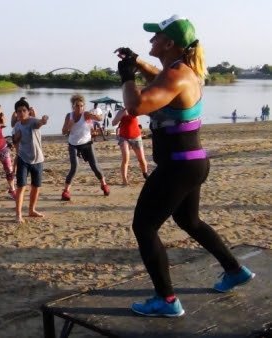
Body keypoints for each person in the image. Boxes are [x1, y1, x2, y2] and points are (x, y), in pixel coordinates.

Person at [116, 14, 254, 317]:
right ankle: (234, 270)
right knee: (189, 221)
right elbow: (158, 75)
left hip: (178, 167)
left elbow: (135, 106)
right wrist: (138, 62)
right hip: (191, 163)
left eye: (155, 37)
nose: (151, 40)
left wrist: (127, 75)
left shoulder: (176, 76)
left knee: (144, 226)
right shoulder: (183, 71)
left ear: (169, 43)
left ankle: (166, 300)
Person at [61, 94, 110, 201]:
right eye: (77, 106)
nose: (80, 108)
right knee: (75, 167)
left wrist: (97, 116)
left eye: (82, 106)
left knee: (95, 166)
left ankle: (104, 185)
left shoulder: (86, 114)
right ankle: (66, 191)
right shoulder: (69, 116)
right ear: (73, 106)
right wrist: (69, 125)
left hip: (87, 144)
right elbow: (64, 132)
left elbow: (100, 118)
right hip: (73, 144)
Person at [12, 98, 49, 223]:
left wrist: (43, 120)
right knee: (21, 187)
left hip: (38, 159)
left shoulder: (32, 121)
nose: (22, 113)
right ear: (16, 113)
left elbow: (39, 123)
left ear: (28, 111)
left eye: (24, 110)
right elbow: (14, 141)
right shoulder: (17, 125)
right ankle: (18, 214)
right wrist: (16, 138)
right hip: (23, 158)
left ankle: (31, 210)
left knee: (36, 186)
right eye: (19, 111)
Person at [112, 107, 149, 185]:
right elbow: (113, 123)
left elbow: (146, 111)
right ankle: (124, 180)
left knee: (141, 159)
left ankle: (145, 174)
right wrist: (121, 115)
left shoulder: (135, 109)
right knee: (125, 158)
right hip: (124, 137)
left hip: (136, 136)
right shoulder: (121, 112)